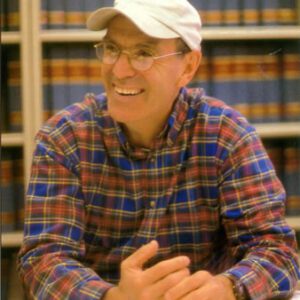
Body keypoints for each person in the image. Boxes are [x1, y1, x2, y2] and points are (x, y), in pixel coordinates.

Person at [17, 0, 299, 299]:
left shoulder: (225, 134)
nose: (120, 70)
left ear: (188, 66)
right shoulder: (64, 138)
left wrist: (226, 288)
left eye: (143, 54)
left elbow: (277, 250)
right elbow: (43, 258)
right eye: (112, 49)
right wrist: (112, 298)